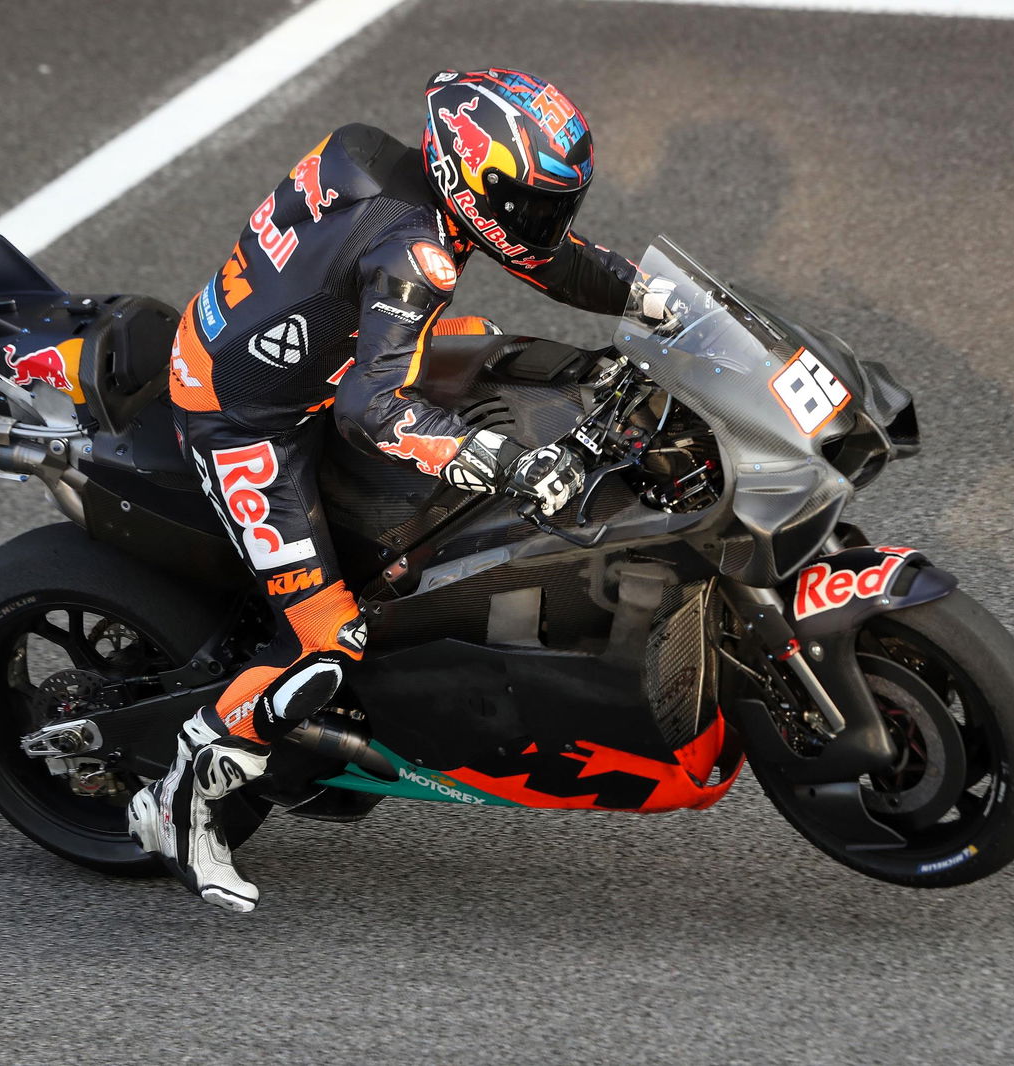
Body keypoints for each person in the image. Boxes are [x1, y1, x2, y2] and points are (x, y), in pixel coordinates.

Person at [127, 67, 675, 910]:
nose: (544, 221)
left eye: (552, 202)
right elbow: (371, 408)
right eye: (528, 203)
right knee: (329, 642)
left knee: (499, 355)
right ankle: (180, 795)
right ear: (470, 179)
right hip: (244, 418)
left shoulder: (375, 155)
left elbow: (550, 262)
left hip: (295, 348)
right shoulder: (414, 256)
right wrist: (498, 460)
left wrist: (653, 299)